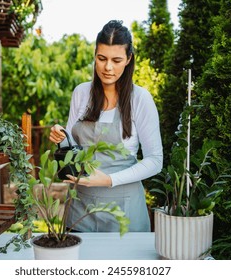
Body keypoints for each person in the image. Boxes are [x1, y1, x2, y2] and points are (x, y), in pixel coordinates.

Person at [49, 20, 163, 232]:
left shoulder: (140, 99)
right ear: (95, 55)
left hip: (124, 212)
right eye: (102, 58)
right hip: (80, 209)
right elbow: (72, 146)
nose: (108, 67)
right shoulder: (81, 93)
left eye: (116, 60)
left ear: (128, 60)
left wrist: (109, 180)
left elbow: (155, 161)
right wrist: (60, 135)